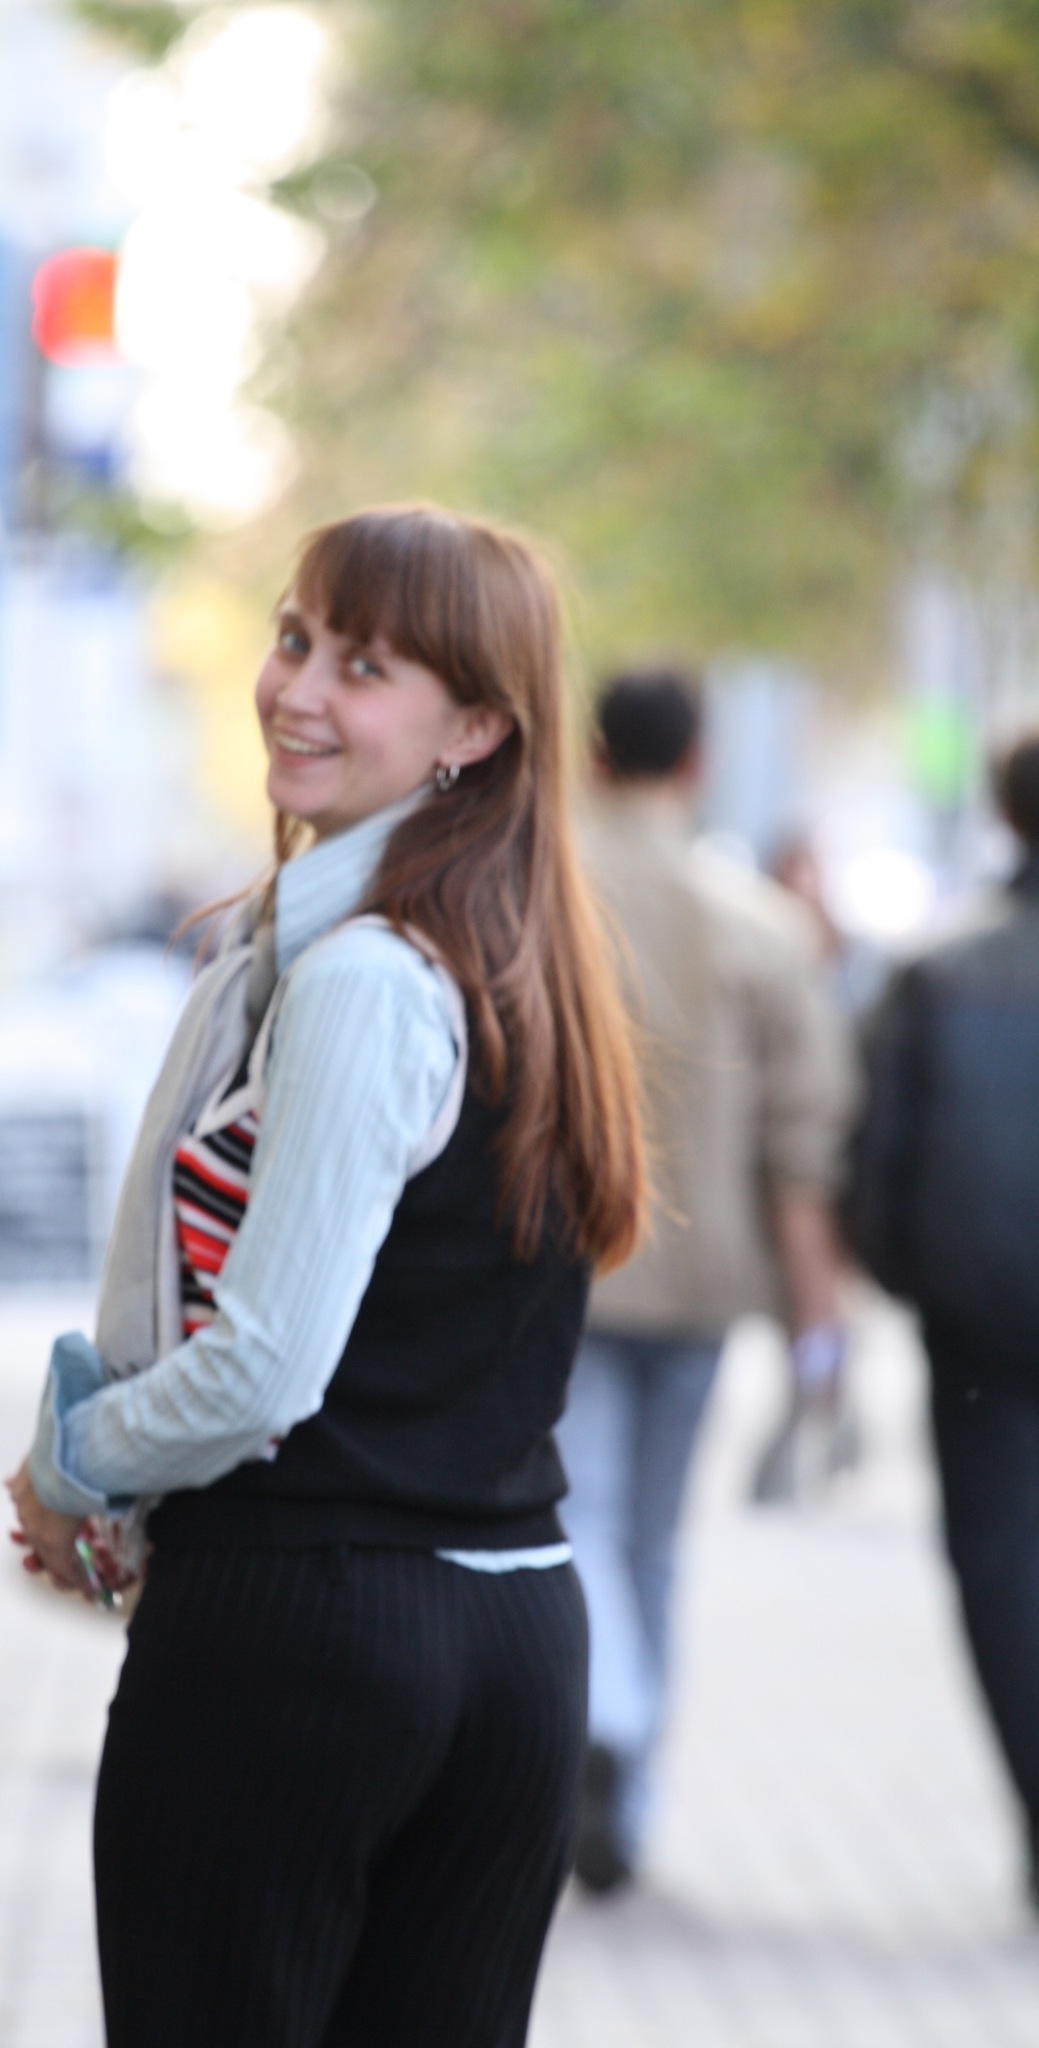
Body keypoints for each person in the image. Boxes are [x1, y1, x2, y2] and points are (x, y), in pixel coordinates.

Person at [5, 506, 646, 2047]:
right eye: (293, 639)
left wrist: (71, 1460)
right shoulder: (517, 965)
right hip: (510, 1640)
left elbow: (261, 1370)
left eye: (361, 667)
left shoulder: (363, 975)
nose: (295, 690)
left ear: (474, 729)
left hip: (303, 1638)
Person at [558, 669, 851, 1893]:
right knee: (654, 1538)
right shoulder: (762, 927)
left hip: (570, 1270)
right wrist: (815, 1326)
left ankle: (607, 1715)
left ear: (590, 756)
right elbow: (802, 1145)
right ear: (694, 761)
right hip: (704, 1281)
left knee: (577, 1513)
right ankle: (632, 1784)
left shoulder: (547, 895)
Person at [843, 728, 1039, 1912]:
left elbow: (873, 1153)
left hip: (975, 1324)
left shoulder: (937, 972)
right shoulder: (935, 972)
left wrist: (902, 1271)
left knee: (1000, 1567)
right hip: (970, 1316)